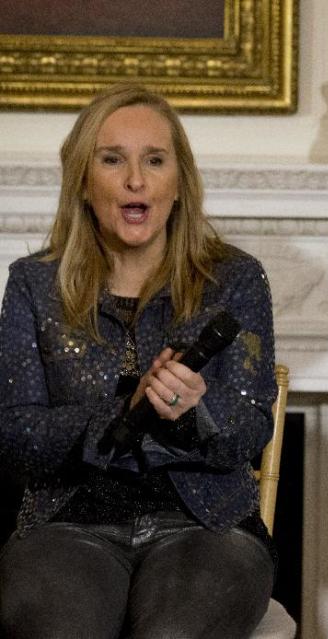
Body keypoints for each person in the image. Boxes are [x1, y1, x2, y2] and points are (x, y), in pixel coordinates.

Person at [0, 83, 277, 637]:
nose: (135, 180)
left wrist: (197, 410)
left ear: (180, 182)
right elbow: (15, 435)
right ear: (84, 180)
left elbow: (250, 429)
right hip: (69, 523)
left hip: (208, 526)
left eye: (154, 160)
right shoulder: (35, 284)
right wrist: (118, 413)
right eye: (112, 160)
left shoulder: (235, 279)